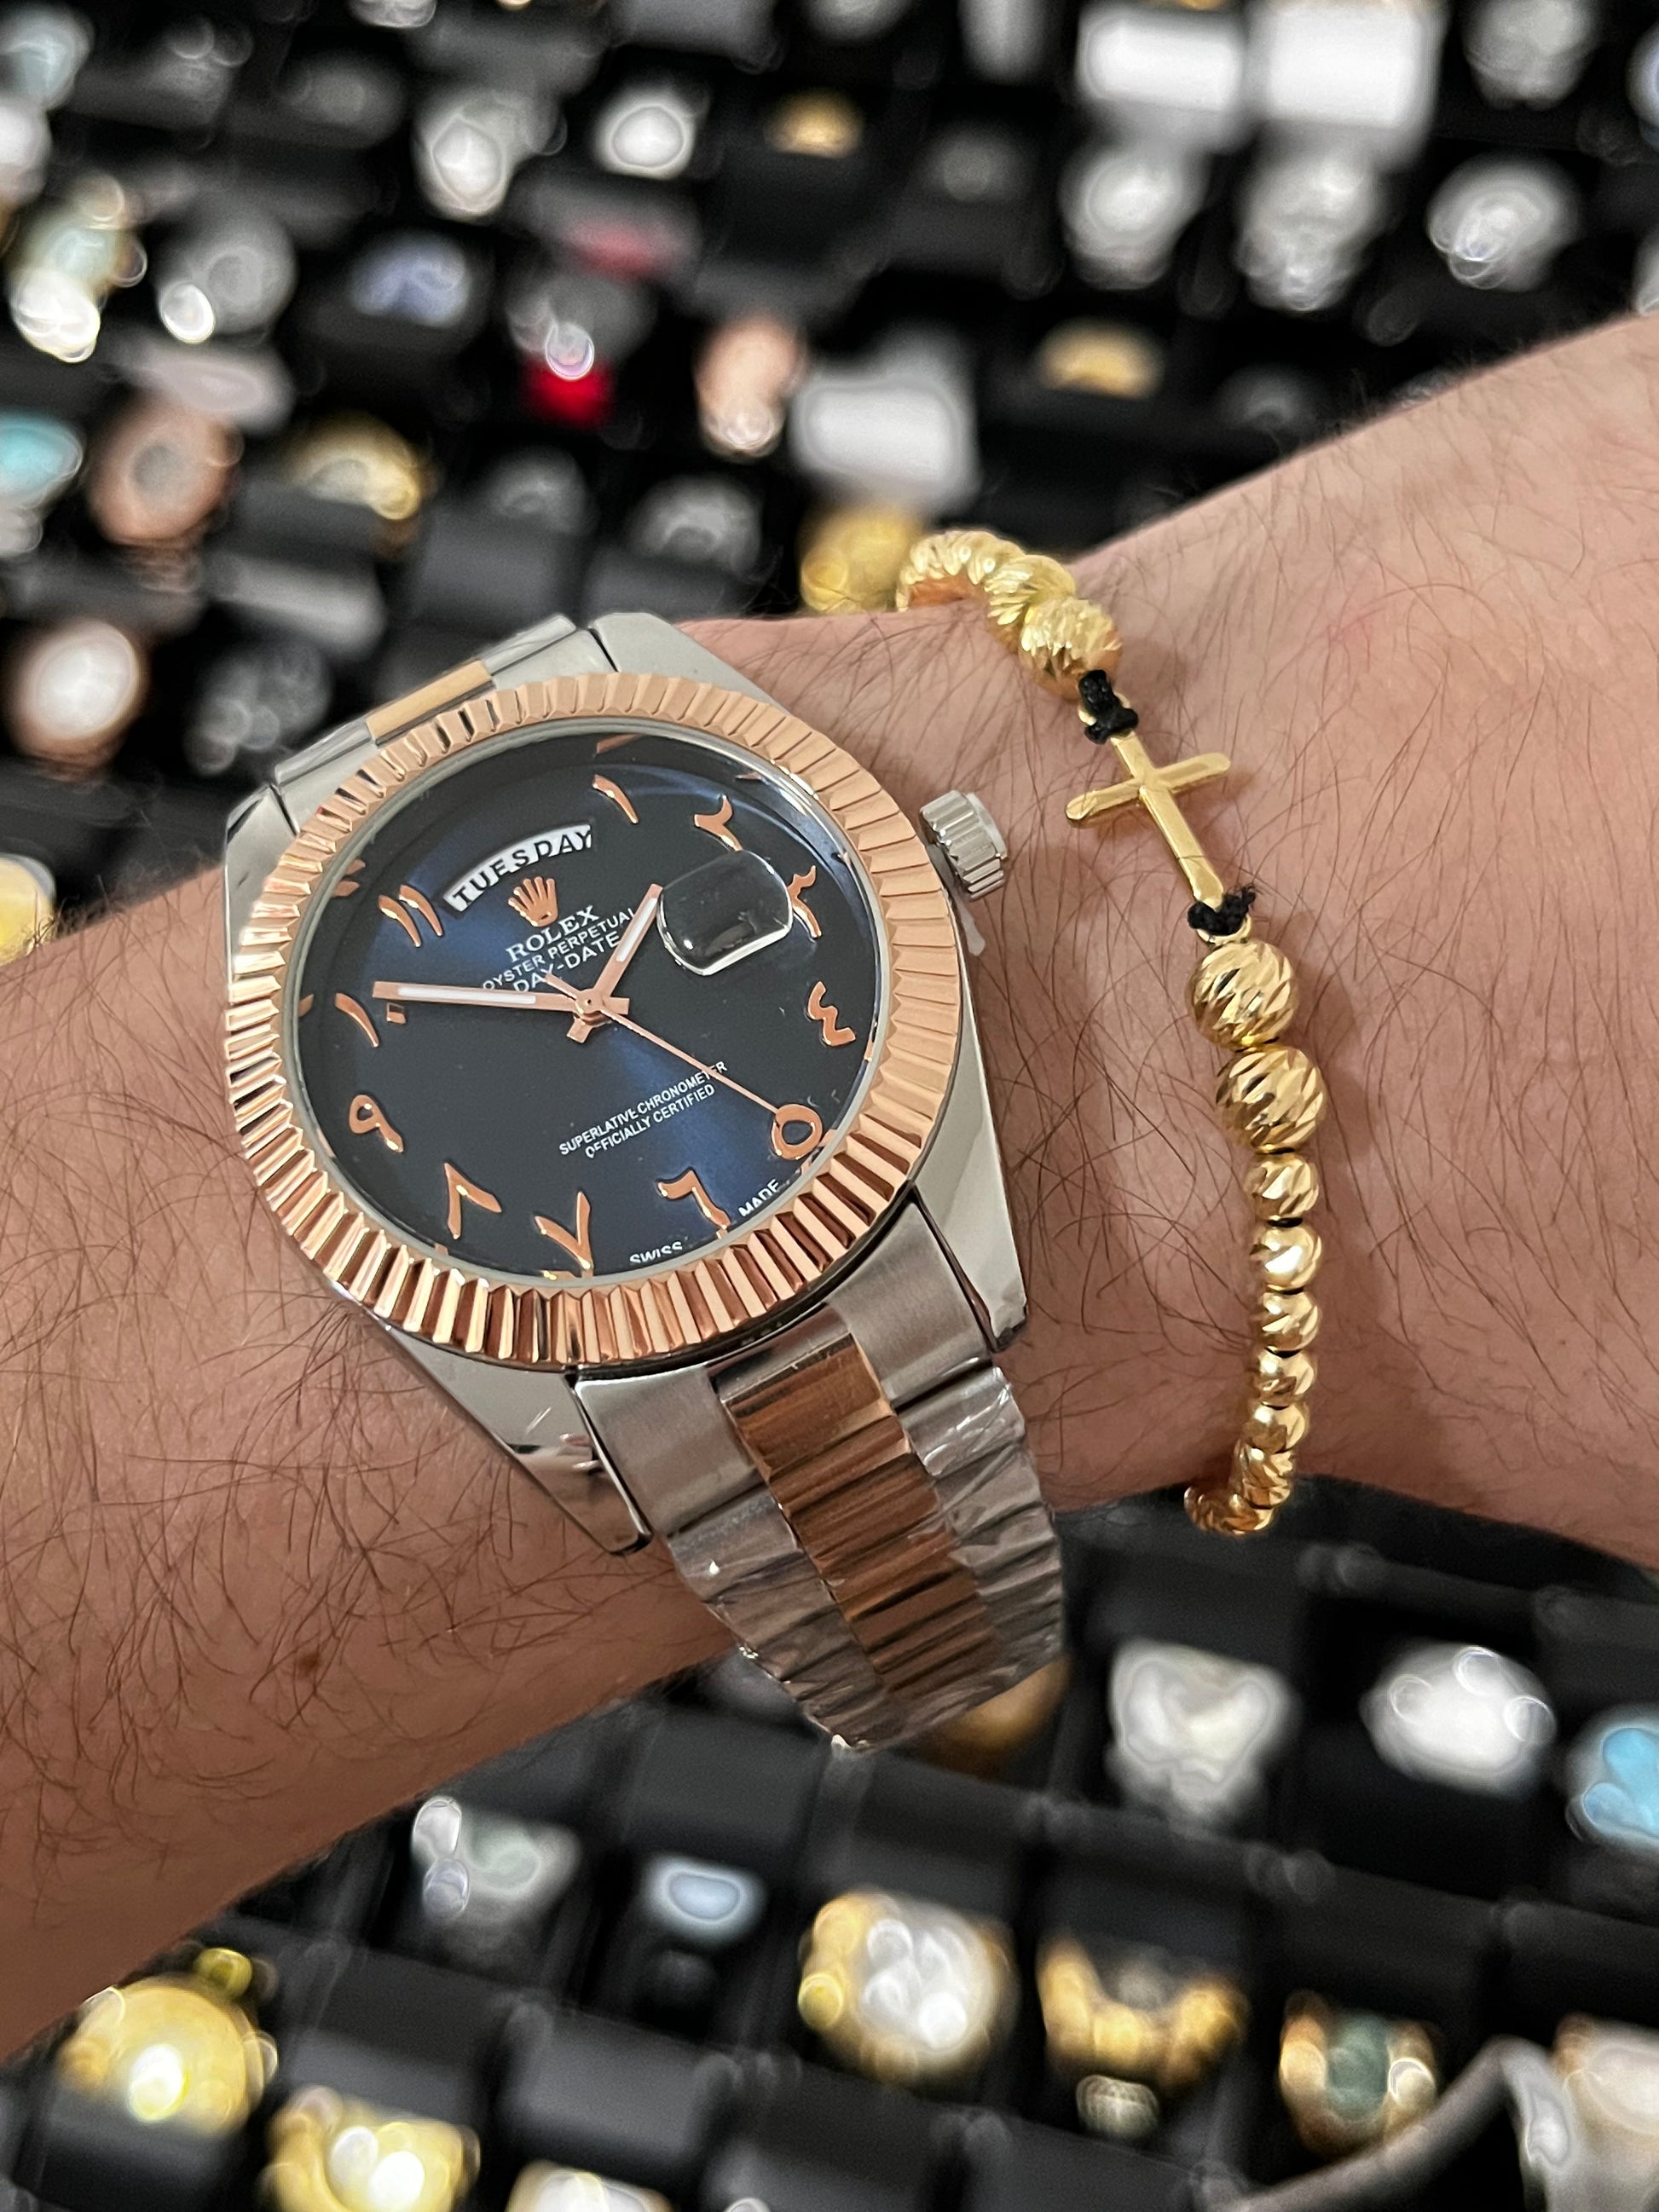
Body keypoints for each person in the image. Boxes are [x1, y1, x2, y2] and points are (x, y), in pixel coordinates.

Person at [3, 313, 1656, 2056]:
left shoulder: (748, 826)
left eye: (597, 991)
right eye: (565, 1008)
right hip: (605, 1272)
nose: (591, 1013)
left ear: (937, 862)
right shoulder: (345, 1059)